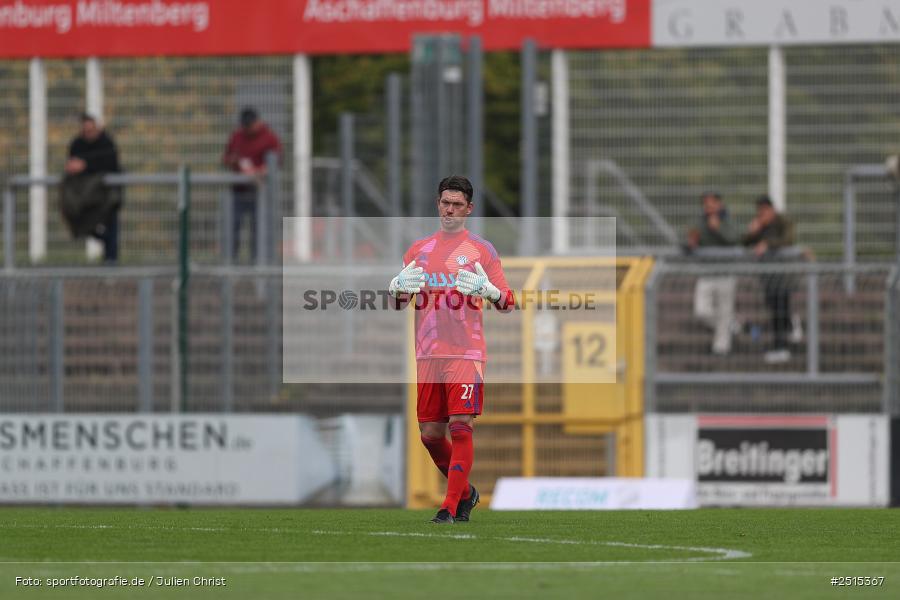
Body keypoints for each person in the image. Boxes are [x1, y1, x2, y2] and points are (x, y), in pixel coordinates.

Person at [388, 175, 515, 524]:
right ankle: (467, 492)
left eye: (457, 204)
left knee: (461, 426)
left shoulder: (482, 250)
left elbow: (508, 302)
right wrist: (397, 288)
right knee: (430, 435)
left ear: (469, 209)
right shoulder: (418, 250)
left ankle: (449, 507)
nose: (450, 209)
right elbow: (400, 302)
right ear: (438, 204)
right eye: (445, 202)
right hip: (428, 354)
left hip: (465, 352)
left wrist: (490, 291)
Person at [222, 107, 282, 262]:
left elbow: (275, 163)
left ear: (258, 122)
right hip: (239, 191)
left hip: (259, 192)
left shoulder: (269, 138)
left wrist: (259, 171)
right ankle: (231, 263)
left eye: (250, 125)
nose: (248, 129)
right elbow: (226, 158)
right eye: (245, 126)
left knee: (259, 229)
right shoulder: (237, 136)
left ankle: (257, 264)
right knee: (233, 227)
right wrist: (235, 161)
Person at [62, 113, 122, 263]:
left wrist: (85, 165)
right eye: (86, 130)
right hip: (84, 197)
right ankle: (107, 244)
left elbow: (111, 164)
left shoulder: (106, 142)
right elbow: (72, 164)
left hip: (106, 195)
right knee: (81, 223)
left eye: (92, 129)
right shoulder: (77, 144)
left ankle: (111, 261)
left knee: (111, 222)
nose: (89, 133)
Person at [743, 195, 795, 364]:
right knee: (775, 310)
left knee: (780, 311)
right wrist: (753, 232)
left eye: (764, 211)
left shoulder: (782, 222)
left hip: (783, 276)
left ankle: (782, 347)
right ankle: (788, 333)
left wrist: (767, 243)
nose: (762, 214)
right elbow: (745, 243)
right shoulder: (760, 225)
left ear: (771, 209)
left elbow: (788, 239)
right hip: (767, 278)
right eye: (760, 211)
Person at [686, 192, 738, 355]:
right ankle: (729, 325)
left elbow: (734, 239)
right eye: (706, 204)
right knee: (702, 312)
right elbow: (690, 238)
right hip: (706, 273)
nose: (709, 207)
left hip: (726, 273)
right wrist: (691, 243)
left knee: (725, 310)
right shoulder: (699, 222)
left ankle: (721, 349)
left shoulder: (727, 220)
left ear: (719, 204)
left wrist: (718, 228)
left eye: (712, 203)